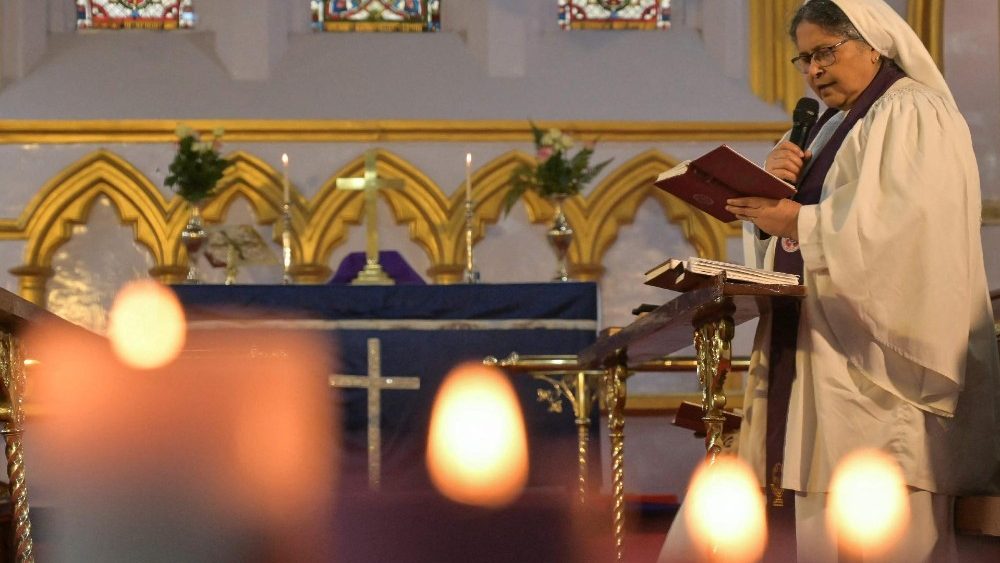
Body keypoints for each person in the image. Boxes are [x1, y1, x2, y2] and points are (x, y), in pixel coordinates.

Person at [660, 1, 1000, 561]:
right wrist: (773, 198)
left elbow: (910, 230)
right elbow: (800, 242)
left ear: (871, 42)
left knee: (878, 521)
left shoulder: (913, 110)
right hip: (818, 353)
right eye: (803, 59)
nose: (814, 70)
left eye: (825, 52)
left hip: (877, 368)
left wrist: (796, 218)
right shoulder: (828, 128)